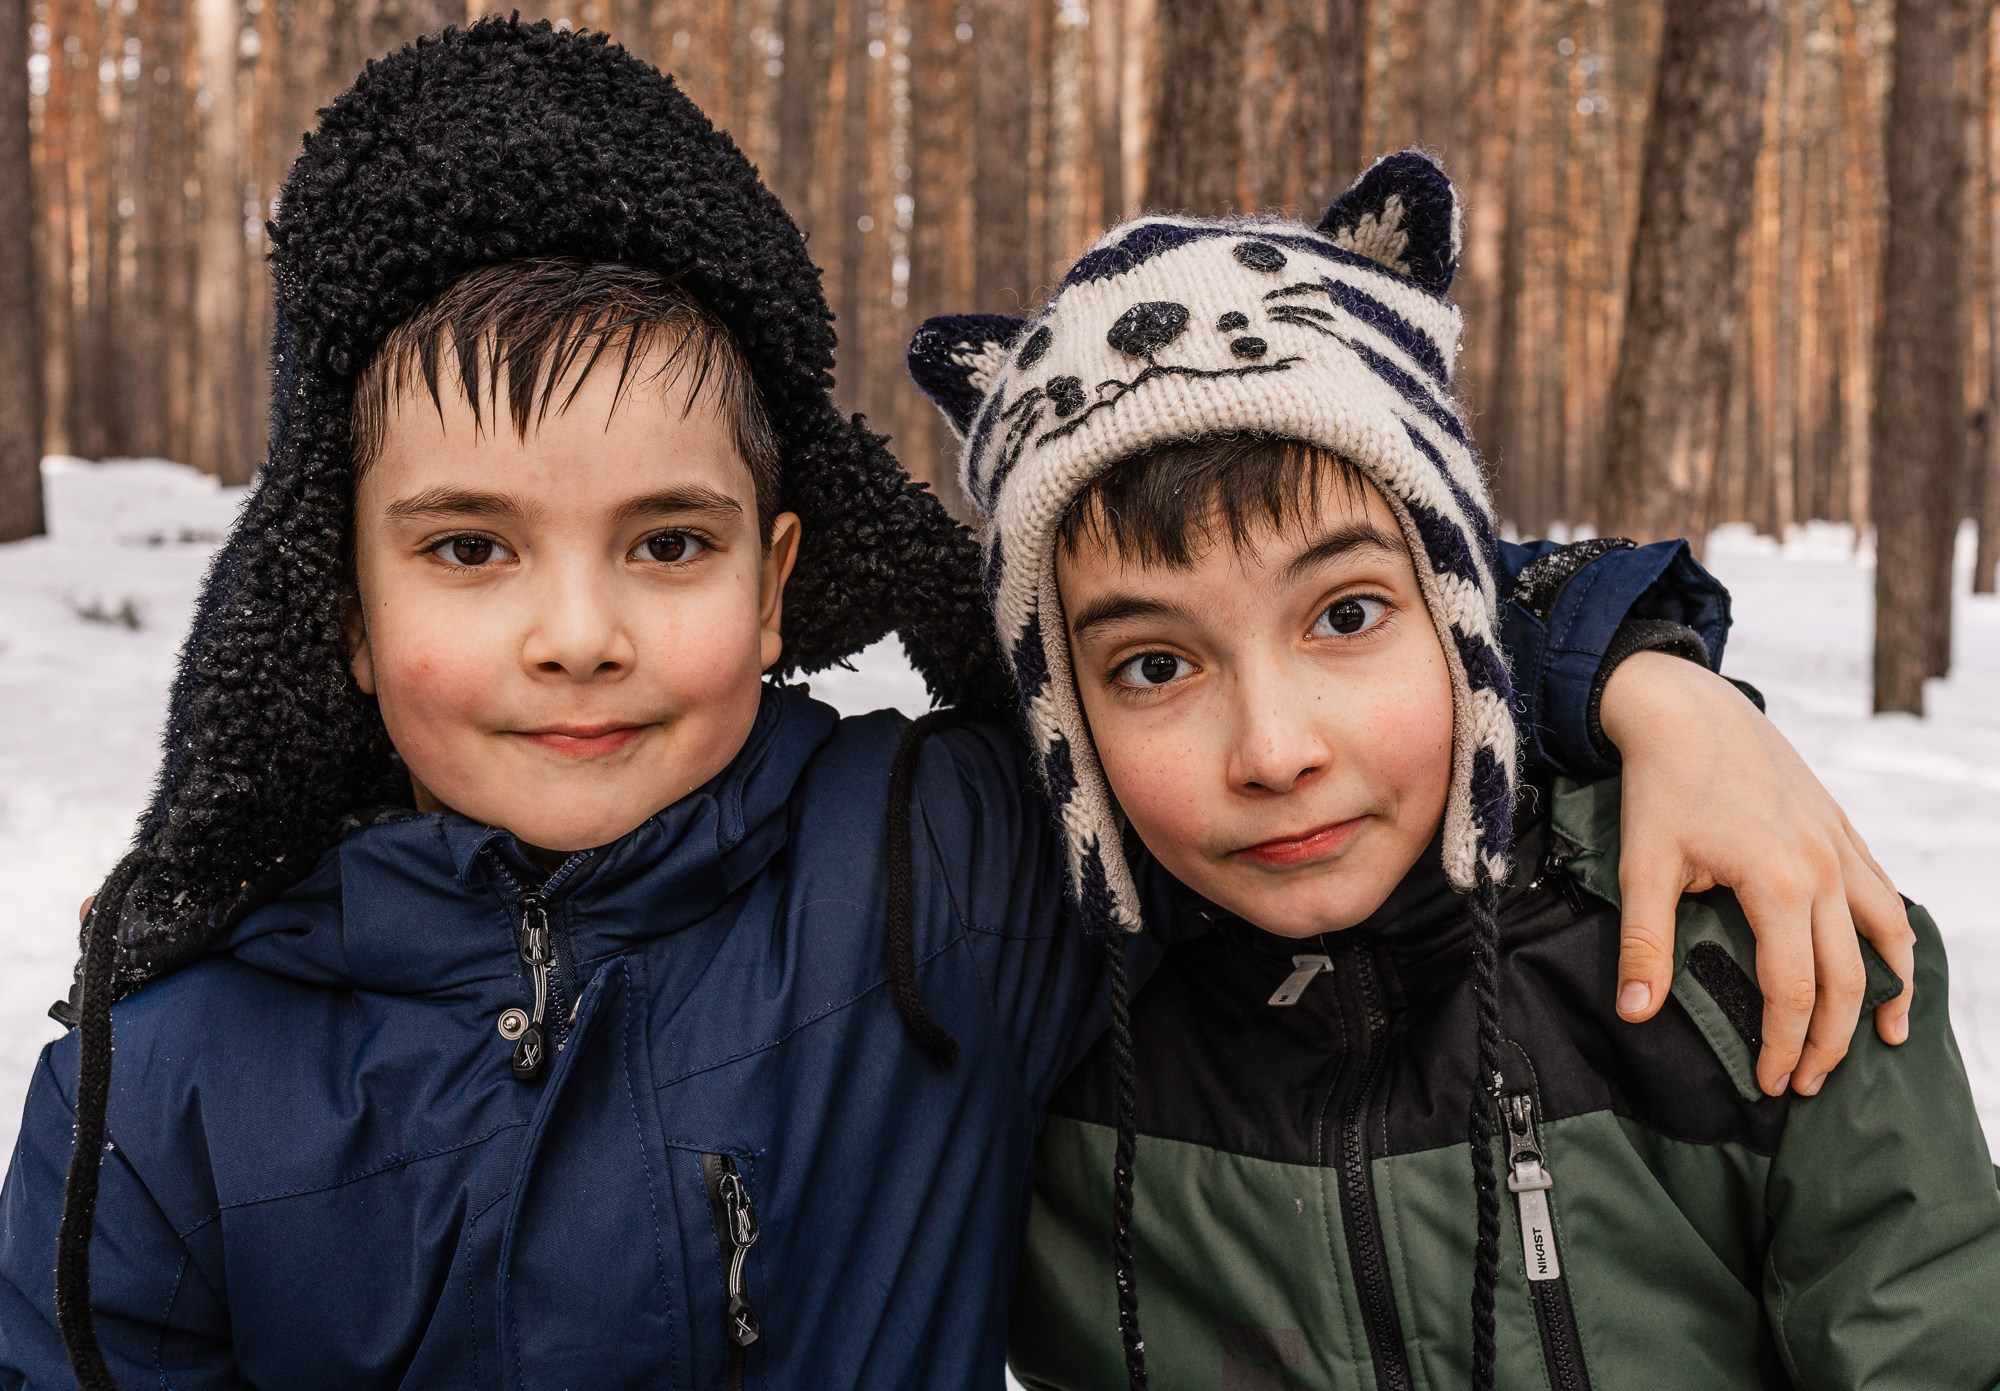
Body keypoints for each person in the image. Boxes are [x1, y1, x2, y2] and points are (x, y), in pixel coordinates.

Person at [0, 28, 1912, 1388]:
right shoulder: (154, 1079)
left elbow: (1323, 642)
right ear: (331, 603)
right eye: (471, 551)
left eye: (667, 543)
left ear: (786, 575)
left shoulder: (951, 857)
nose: (574, 635)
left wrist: (1652, 684)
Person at [906, 151, 2000, 1391]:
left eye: (1345, 616)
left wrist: (1649, 674)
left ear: (1463, 618)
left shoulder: (1750, 945)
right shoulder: (1040, 1027)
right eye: (1153, 666)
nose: (1273, 750)